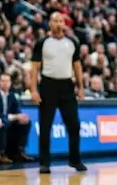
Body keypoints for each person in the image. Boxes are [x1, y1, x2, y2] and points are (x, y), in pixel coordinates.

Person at [30, 12, 86, 174]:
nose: (58, 24)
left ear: (64, 24)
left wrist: (81, 87)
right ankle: (45, 163)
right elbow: (34, 68)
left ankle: (75, 160)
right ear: (50, 24)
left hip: (67, 86)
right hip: (48, 85)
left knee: (74, 125)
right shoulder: (42, 42)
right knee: (46, 126)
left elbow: (77, 66)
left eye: (61, 21)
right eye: (55, 21)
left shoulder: (72, 42)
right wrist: (34, 90)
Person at [0, 73, 33, 162]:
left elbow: (17, 111)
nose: (5, 83)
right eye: (3, 81)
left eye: (7, 81)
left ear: (10, 83)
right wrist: (14, 116)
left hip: (9, 120)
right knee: (3, 122)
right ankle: (1, 153)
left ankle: (20, 151)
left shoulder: (12, 95)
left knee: (25, 122)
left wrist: (21, 117)